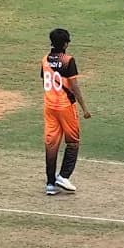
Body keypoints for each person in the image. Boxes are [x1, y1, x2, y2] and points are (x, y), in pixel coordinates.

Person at [41, 28, 91, 195]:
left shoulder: (44, 60)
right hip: (65, 107)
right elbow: (74, 86)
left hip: (49, 107)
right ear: (65, 43)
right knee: (73, 141)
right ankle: (63, 176)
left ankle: (50, 183)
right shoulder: (68, 60)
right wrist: (84, 108)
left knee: (51, 144)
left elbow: (45, 81)